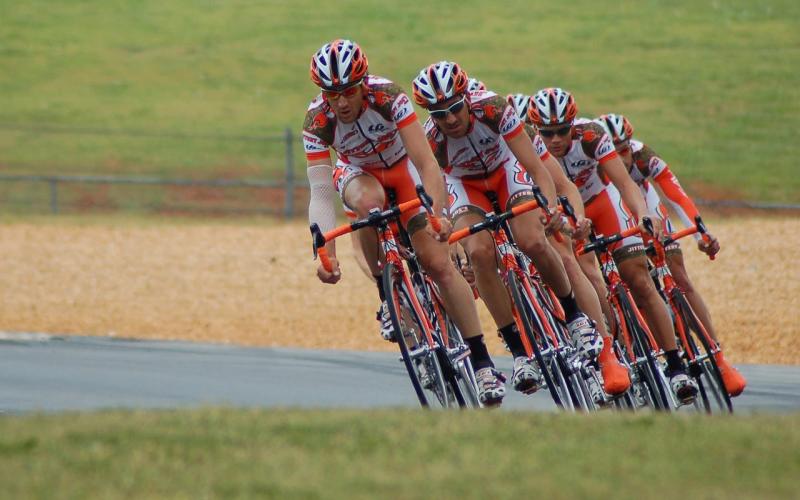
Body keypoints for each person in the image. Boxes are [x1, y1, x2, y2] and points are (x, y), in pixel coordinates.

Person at [303, 40, 506, 406]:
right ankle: (387, 293)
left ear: (363, 84)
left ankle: (482, 363)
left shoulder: (389, 98)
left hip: (402, 168)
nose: (342, 102)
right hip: (359, 173)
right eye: (332, 94)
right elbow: (319, 193)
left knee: (439, 265)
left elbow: (428, 164)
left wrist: (438, 215)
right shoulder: (317, 121)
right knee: (368, 204)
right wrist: (324, 251)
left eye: (349, 91)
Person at [411, 61, 608, 396]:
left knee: (531, 239)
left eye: (455, 109)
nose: (450, 120)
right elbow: (438, 189)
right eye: (440, 114)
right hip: (464, 183)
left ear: (466, 100)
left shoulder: (495, 109)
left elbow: (535, 167)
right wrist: (443, 224)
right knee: (479, 252)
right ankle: (517, 351)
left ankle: (574, 316)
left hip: (505, 169)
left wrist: (548, 206)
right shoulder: (431, 137)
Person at [529, 87, 699, 404]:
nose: (555, 140)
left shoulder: (591, 136)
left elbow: (624, 183)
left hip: (603, 204)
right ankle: (609, 345)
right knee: (581, 271)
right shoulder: (529, 148)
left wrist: (644, 214)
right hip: (562, 213)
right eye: (547, 132)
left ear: (573, 125)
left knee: (638, 278)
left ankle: (676, 366)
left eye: (562, 131)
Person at [595, 113, 747, 397]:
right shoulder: (591, 165)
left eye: (624, 150)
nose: (622, 158)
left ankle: (718, 356)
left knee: (679, 275)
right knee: (622, 281)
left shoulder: (642, 156)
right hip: (612, 214)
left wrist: (701, 232)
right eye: (614, 152)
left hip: (645, 210)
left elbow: (675, 193)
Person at [505, 93, 631, 396]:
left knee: (571, 259)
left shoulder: (533, 144)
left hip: (548, 206)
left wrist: (570, 220)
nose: (553, 138)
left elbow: (563, 188)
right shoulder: (487, 147)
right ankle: (526, 348)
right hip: (512, 208)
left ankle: (606, 349)